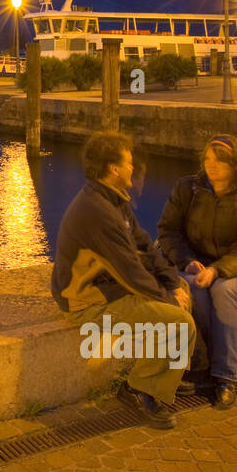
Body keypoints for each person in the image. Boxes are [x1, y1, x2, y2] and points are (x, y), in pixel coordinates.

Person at [52, 131, 196, 429]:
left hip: (110, 288)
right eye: (129, 163)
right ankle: (140, 387)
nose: (134, 169)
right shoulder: (97, 211)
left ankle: (164, 375)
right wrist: (169, 298)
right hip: (86, 300)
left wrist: (171, 283)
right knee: (180, 322)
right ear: (114, 169)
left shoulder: (112, 199)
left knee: (181, 291)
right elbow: (130, 270)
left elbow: (143, 243)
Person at [156, 134, 237, 410]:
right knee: (196, 289)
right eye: (208, 159)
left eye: (220, 161)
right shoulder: (187, 189)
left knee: (224, 290)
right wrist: (186, 261)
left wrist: (217, 270)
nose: (212, 166)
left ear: (236, 165)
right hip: (193, 263)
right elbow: (167, 232)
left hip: (236, 268)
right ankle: (203, 367)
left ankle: (225, 377)